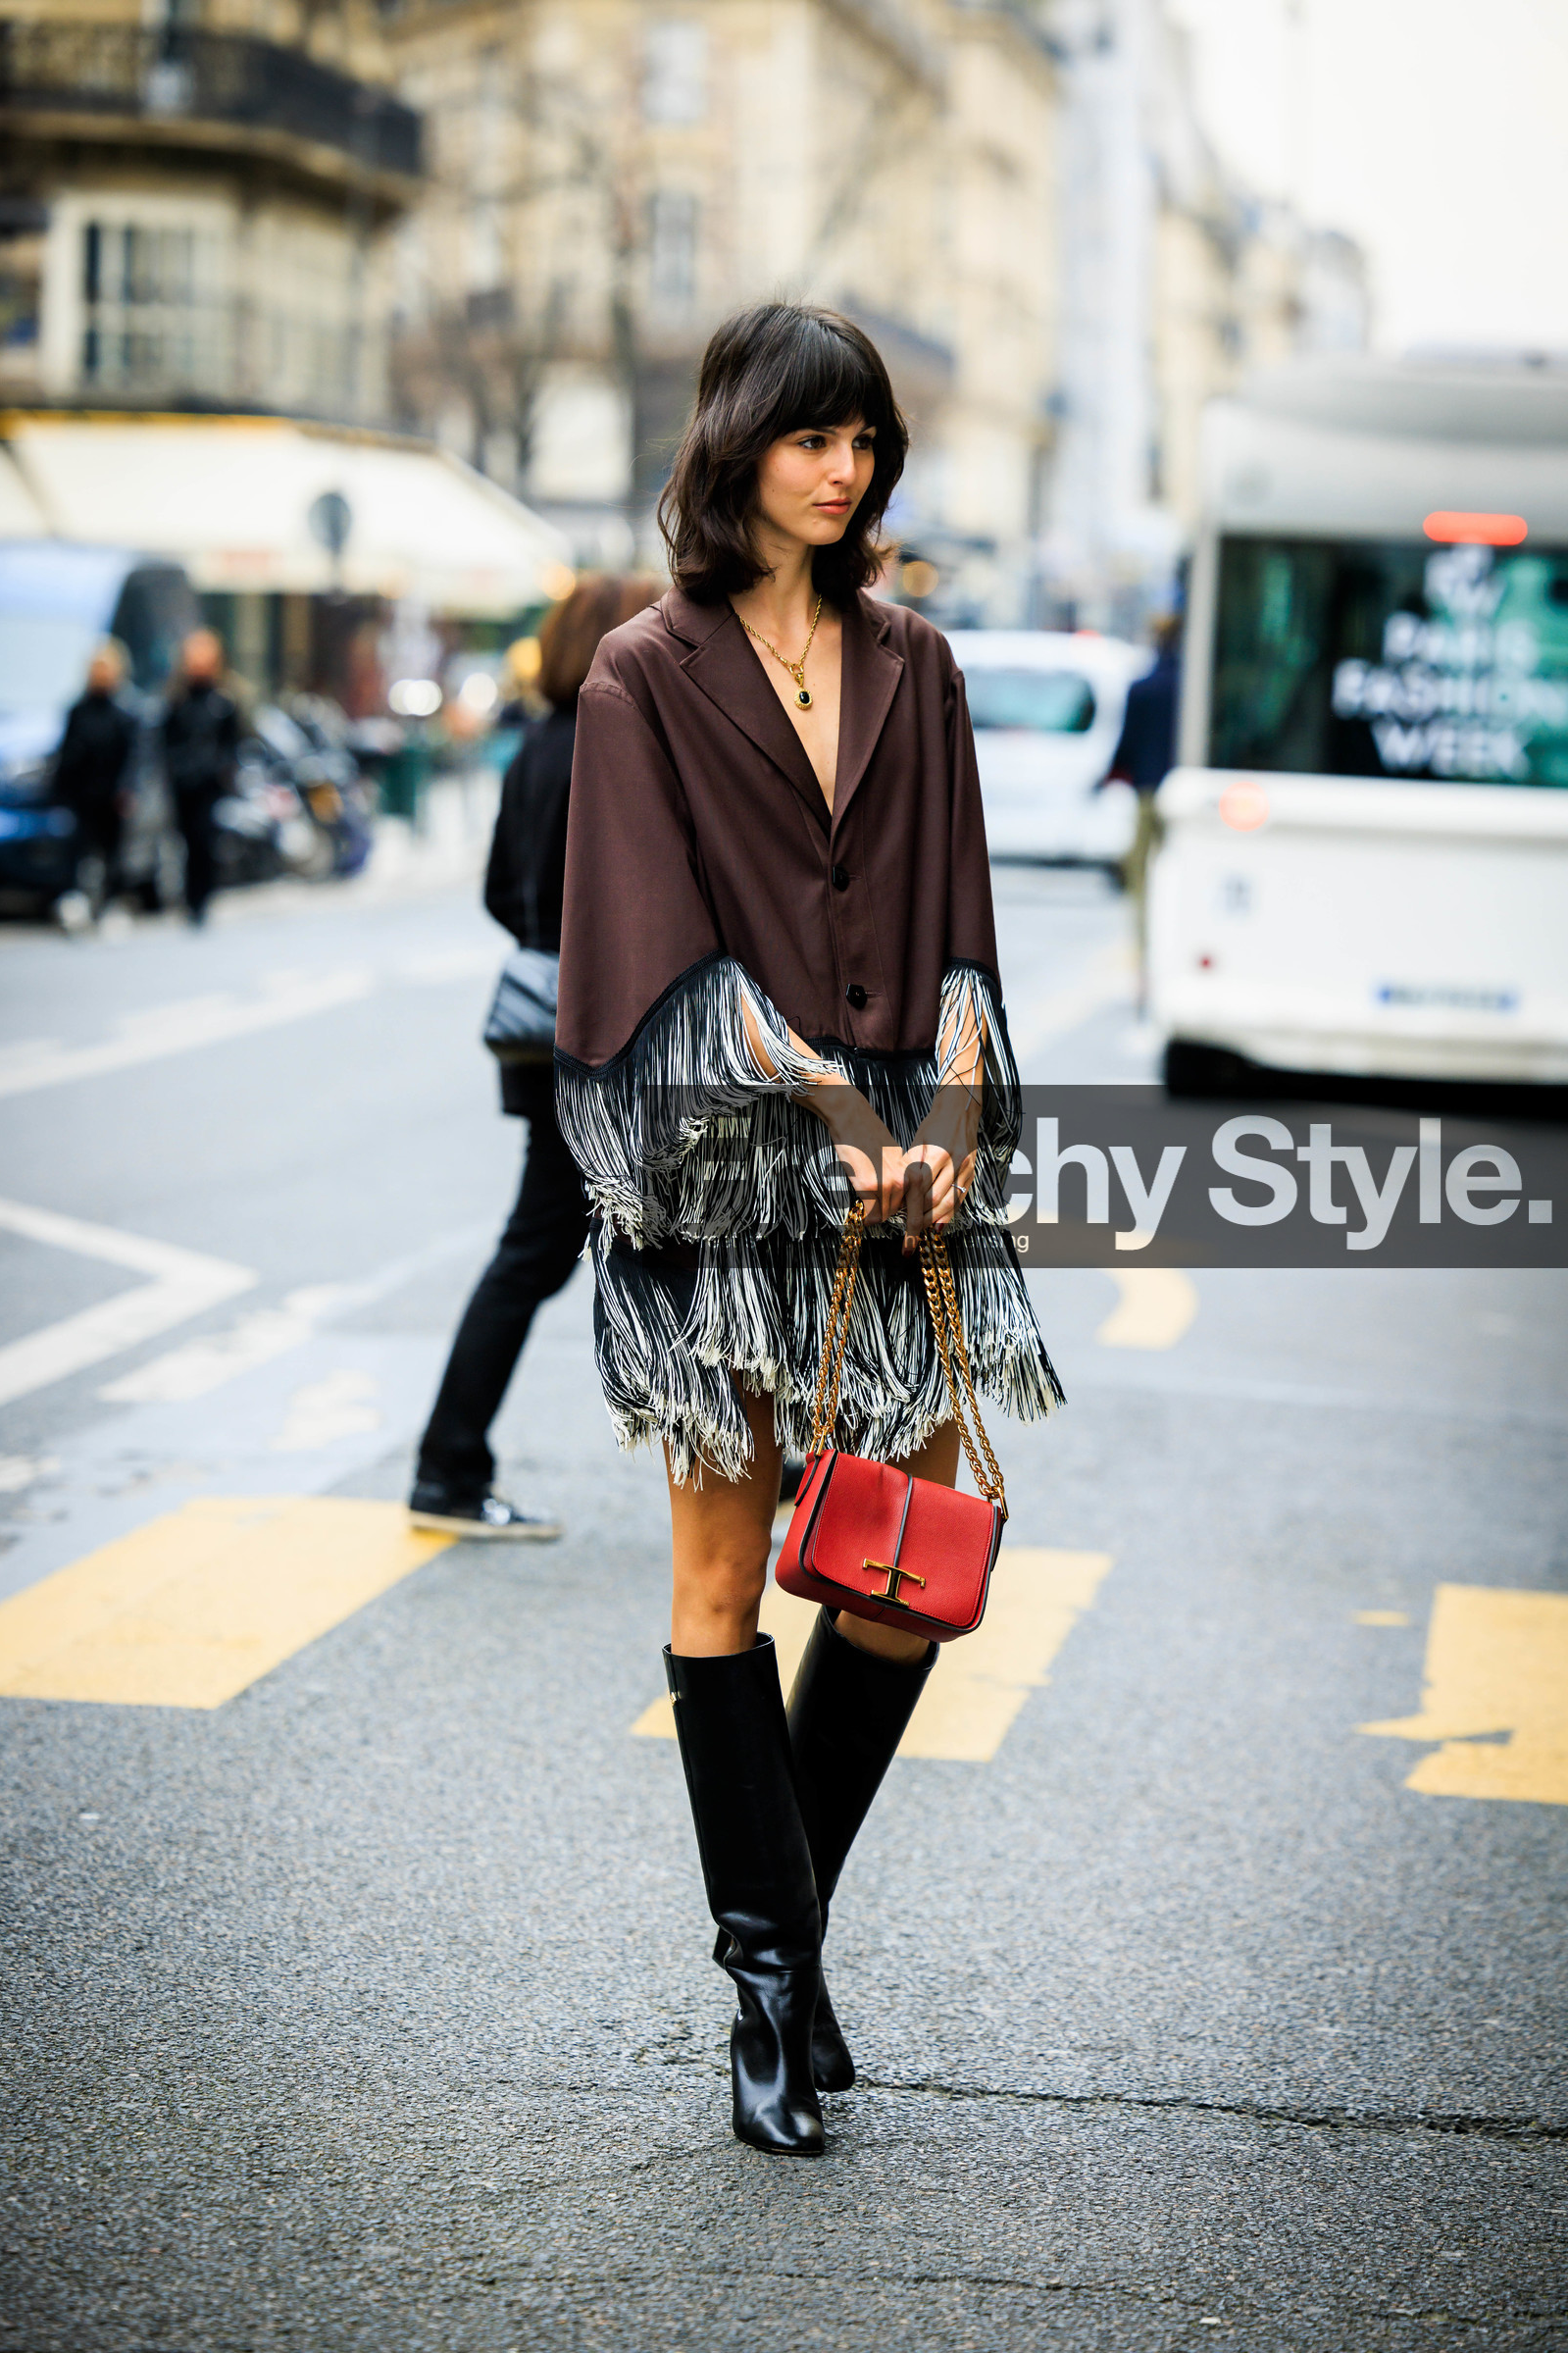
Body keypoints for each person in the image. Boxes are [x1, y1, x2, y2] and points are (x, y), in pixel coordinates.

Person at [554, 304, 1062, 2158]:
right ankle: (774, 1983)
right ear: (741, 442)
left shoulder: (915, 662)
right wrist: (830, 1113)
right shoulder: (640, 675)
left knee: (898, 1574)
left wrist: (942, 1105)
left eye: (868, 443)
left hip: (905, 1193)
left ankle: (793, 1936)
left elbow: (959, 924)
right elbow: (646, 945)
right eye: (815, 437)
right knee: (721, 1585)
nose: (847, 471)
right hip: (722, 1185)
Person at [409, 577, 661, 1540]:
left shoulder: (539, 745)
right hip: (615, 1035)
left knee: (561, 1244)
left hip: (542, 1029)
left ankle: (450, 1460)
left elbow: (496, 894)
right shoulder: (619, 743)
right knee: (655, 1241)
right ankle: (446, 1464)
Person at [1108, 611, 1182, 1001]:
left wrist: (1107, 777)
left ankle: (1145, 965)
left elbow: (1126, 745)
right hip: (1186, 793)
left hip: (1148, 792)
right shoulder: (1196, 687)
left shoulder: (1143, 688)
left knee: (1143, 882)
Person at [53, 639, 137, 918]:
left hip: (112, 796)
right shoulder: (78, 711)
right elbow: (66, 754)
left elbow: (133, 758)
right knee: (76, 850)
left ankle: (110, 903)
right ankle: (74, 902)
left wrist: (127, 790)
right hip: (81, 795)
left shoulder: (124, 713)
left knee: (111, 853)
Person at [160, 629, 239, 924]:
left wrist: (221, 772)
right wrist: (176, 770)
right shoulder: (177, 700)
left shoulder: (222, 701)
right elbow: (166, 742)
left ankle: (202, 898)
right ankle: (188, 897)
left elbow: (233, 744)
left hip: (209, 786)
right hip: (183, 785)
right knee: (186, 841)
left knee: (205, 841)